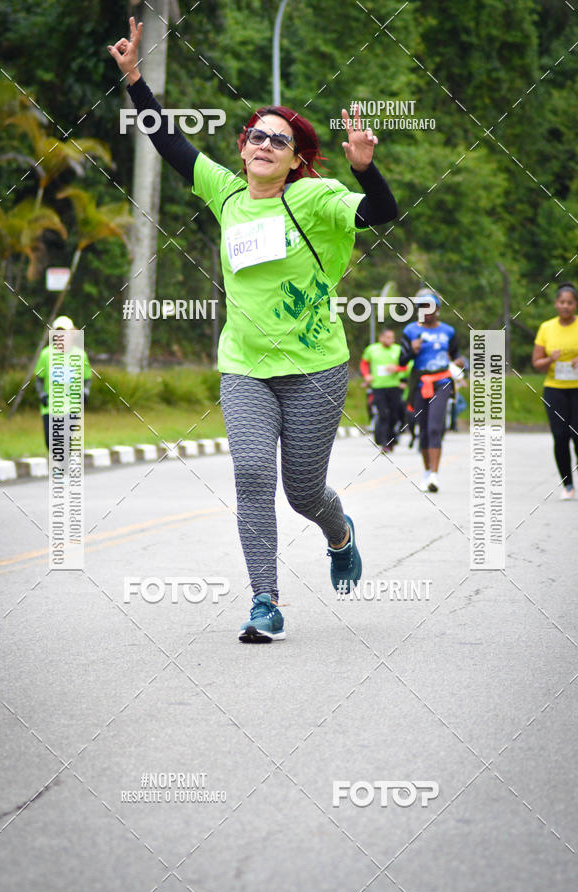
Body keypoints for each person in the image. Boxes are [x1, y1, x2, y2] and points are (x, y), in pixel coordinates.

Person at [109, 17, 398, 642]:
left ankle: (338, 529)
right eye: (255, 136)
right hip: (243, 365)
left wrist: (366, 169)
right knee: (252, 478)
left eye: (279, 140)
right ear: (243, 148)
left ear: (296, 158)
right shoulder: (226, 192)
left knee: (301, 491)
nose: (264, 144)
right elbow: (169, 142)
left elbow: (381, 213)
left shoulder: (318, 198)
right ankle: (265, 600)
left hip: (315, 367)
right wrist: (134, 77)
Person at [400, 290, 463, 492]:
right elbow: (401, 360)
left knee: (436, 427)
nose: (426, 312)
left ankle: (435, 475)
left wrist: (460, 362)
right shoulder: (410, 331)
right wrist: (413, 350)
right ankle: (427, 472)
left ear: (438, 309)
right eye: (421, 308)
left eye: (430, 308)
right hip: (420, 383)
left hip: (442, 381)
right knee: (424, 429)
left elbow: (456, 355)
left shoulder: (448, 331)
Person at [532, 282, 578, 500]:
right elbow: (537, 363)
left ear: (575, 305)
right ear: (556, 304)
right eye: (562, 302)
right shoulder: (546, 328)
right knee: (560, 436)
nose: (566, 306)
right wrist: (550, 359)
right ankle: (568, 484)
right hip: (554, 389)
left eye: (570, 303)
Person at [34, 316, 92, 450]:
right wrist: (42, 394)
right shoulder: (46, 354)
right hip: (50, 406)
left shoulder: (80, 355)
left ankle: (62, 468)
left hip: (71, 406)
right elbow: (39, 379)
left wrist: (85, 391)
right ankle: (59, 467)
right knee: (50, 442)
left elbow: (87, 378)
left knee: (65, 441)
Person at [360, 328, 406, 452]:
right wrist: (366, 375)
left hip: (394, 387)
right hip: (378, 387)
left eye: (392, 337)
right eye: (388, 337)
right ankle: (384, 443)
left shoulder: (398, 350)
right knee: (383, 414)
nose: (391, 340)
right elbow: (364, 364)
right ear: (381, 338)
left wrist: (397, 368)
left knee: (394, 415)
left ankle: (392, 440)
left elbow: (407, 366)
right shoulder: (372, 349)